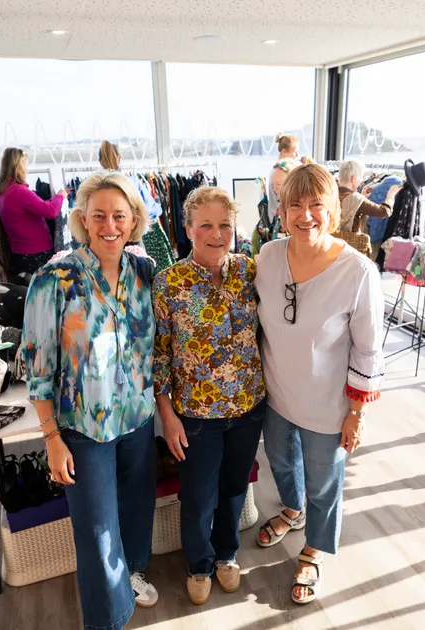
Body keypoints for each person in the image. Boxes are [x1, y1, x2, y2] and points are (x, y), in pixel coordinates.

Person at [22, 170, 159, 630]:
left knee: (138, 507)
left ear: (134, 219)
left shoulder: (143, 272)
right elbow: (37, 369)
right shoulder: (53, 279)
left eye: (119, 216)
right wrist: (51, 439)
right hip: (85, 428)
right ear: (82, 219)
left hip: (138, 418)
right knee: (98, 531)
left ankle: (133, 574)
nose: (109, 226)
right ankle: (107, 619)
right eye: (98, 215)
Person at [254, 164, 384, 605]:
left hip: (328, 404)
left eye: (316, 205)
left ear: (334, 209)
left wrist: (357, 413)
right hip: (275, 395)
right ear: (282, 210)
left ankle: (314, 547)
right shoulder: (267, 257)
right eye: (295, 205)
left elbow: (368, 349)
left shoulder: (359, 271)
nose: (305, 215)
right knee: (280, 462)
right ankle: (292, 510)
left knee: (325, 481)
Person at [152, 186, 265, 605]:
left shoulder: (250, 271)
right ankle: (200, 564)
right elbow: (159, 354)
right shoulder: (168, 283)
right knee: (199, 495)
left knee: (235, 488)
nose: (216, 234)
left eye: (225, 225)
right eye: (206, 226)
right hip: (196, 414)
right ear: (188, 229)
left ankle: (226, 555)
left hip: (249, 407)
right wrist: (167, 414)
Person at [0, 147, 67, 278]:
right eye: (25, 164)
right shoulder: (19, 192)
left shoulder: (0, 192)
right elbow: (51, 210)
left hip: (19, 252)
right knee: (43, 292)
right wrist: (61, 195)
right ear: (19, 167)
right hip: (36, 252)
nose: (27, 169)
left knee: (30, 289)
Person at [337, 159, 393, 239]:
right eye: (361, 177)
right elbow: (384, 212)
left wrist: (361, 196)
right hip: (349, 245)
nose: (362, 181)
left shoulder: (332, 193)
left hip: (331, 244)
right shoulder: (356, 199)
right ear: (353, 178)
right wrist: (391, 195)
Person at [267, 133, 306, 221]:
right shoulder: (280, 172)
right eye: (295, 151)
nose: (297, 155)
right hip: (280, 219)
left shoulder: (275, 170)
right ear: (284, 152)